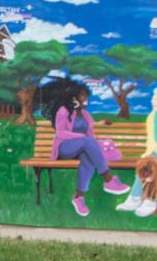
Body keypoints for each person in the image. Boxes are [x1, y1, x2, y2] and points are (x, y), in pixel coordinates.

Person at [39, 77, 131, 217]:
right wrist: (82, 138)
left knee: (88, 159)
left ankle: (78, 197)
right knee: (87, 141)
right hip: (64, 148)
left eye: (85, 95)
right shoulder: (64, 111)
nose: (85, 98)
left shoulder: (86, 115)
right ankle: (108, 179)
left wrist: (94, 144)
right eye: (82, 95)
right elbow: (60, 133)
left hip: (82, 147)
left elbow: (91, 137)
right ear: (73, 97)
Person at [116, 87, 157, 217]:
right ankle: (135, 198)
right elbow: (152, 139)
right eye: (154, 98)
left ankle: (151, 200)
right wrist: (150, 153)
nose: (153, 101)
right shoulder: (152, 116)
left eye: (155, 98)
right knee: (145, 164)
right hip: (154, 152)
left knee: (151, 165)